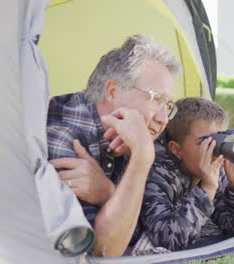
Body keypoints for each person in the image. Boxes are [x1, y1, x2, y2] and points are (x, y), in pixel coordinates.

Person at [47, 34, 182, 257]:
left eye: (168, 106)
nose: (163, 118)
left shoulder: (130, 134)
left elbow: (137, 228)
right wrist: (142, 157)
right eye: (156, 99)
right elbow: (101, 251)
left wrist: (108, 193)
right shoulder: (65, 137)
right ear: (113, 92)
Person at [140, 97, 234, 251]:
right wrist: (207, 189)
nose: (214, 150)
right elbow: (168, 241)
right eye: (206, 143)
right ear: (177, 149)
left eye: (220, 141)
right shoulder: (156, 172)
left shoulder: (215, 167)